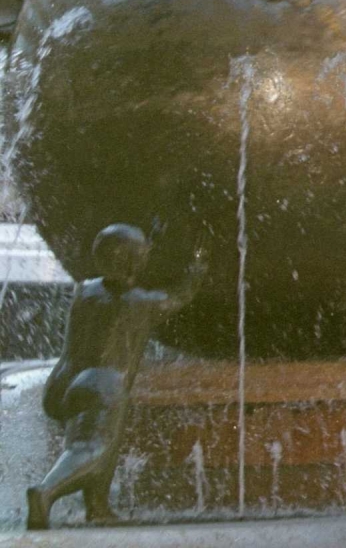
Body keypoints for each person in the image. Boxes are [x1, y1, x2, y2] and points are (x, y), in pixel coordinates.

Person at [26, 223, 209, 530]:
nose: (146, 257)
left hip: (63, 381)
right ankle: (46, 491)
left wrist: (150, 241)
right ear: (131, 261)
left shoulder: (85, 290)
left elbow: (117, 275)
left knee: (103, 441)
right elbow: (180, 296)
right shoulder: (141, 302)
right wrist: (198, 265)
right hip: (101, 385)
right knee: (91, 448)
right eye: (142, 254)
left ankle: (98, 506)